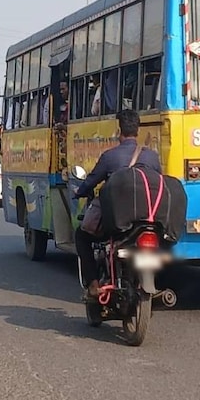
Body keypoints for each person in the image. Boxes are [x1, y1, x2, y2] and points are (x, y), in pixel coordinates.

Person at [74, 109, 162, 299]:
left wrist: (78, 192)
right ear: (138, 131)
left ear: (118, 131)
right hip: (147, 221)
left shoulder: (109, 157)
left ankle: (93, 284)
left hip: (115, 223)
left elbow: (90, 182)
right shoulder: (152, 157)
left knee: (81, 236)